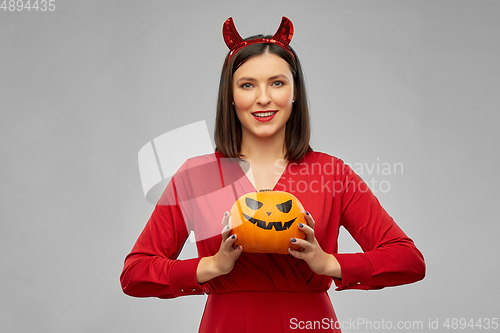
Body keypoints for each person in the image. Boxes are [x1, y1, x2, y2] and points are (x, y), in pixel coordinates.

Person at [120, 17, 426, 332]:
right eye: (247, 84)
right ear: (231, 95)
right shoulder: (195, 176)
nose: (263, 98)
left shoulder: (331, 173)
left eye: (277, 83)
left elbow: (408, 260)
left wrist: (327, 263)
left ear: (295, 92)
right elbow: (135, 273)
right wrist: (213, 266)